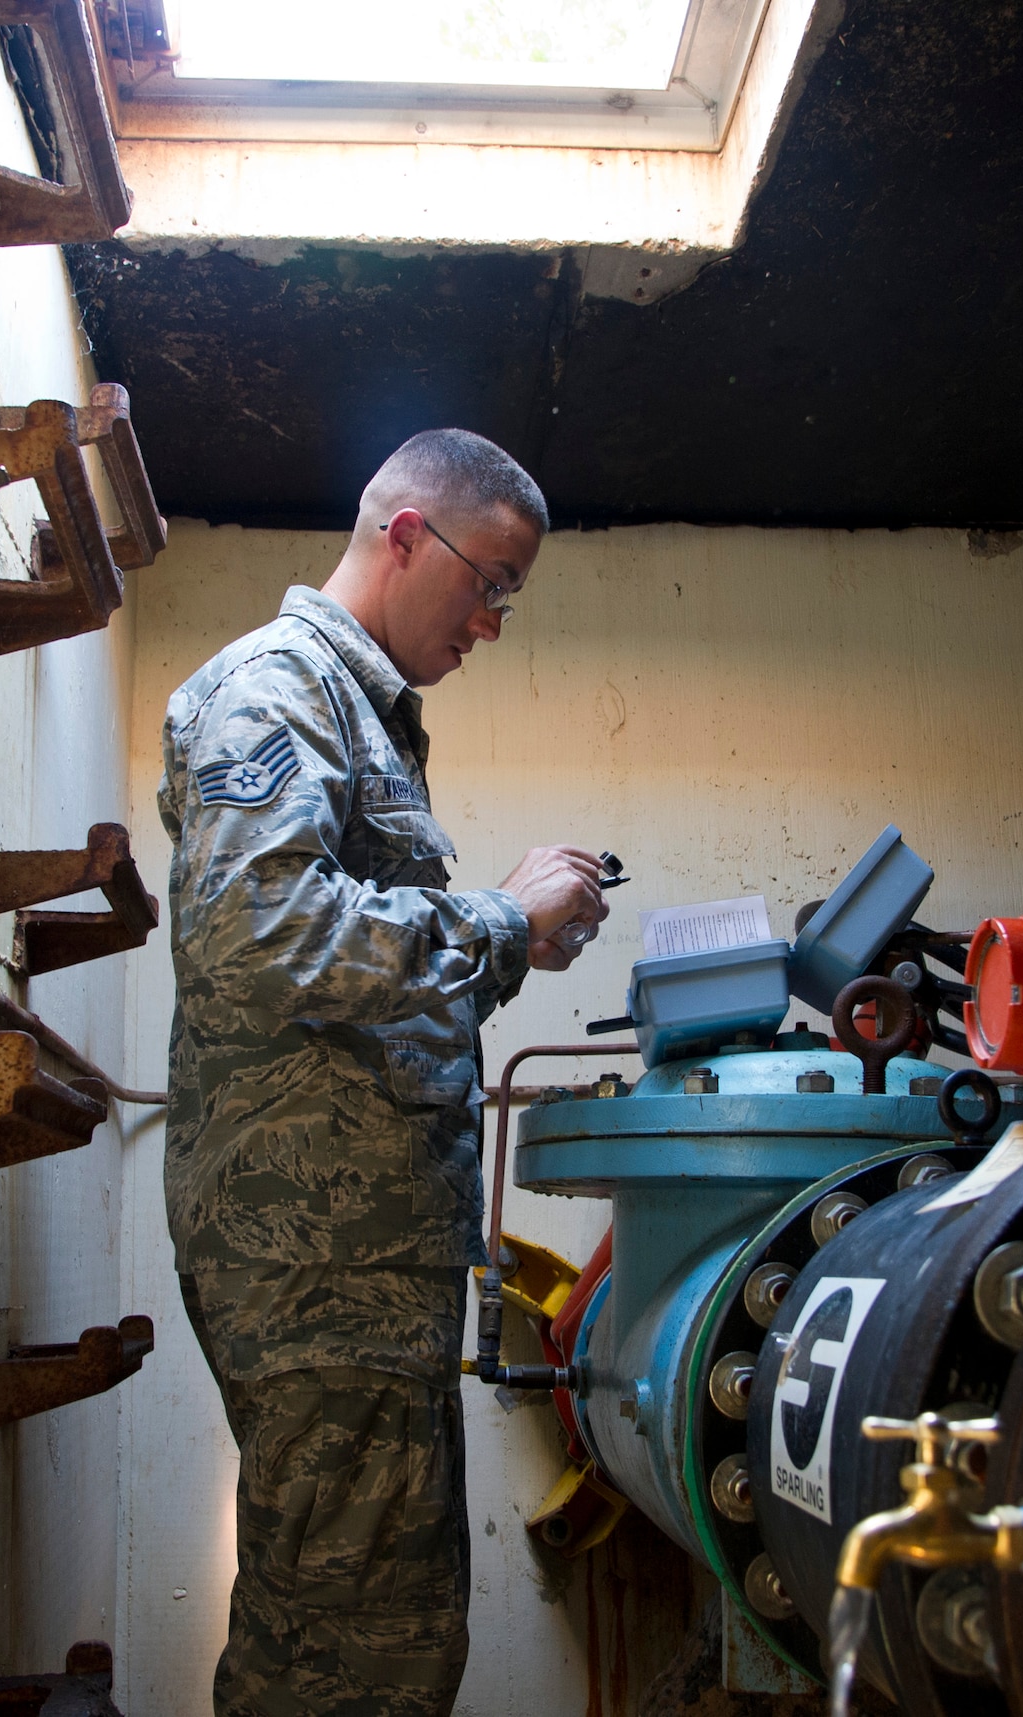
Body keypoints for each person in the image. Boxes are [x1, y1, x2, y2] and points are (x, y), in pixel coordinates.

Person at [157, 428, 606, 1716]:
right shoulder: (278, 685)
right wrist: (500, 919)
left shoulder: (355, 716)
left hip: (356, 1262)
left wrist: (511, 933)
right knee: (353, 1662)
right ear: (407, 531)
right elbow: (262, 935)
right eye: (493, 581)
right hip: (318, 1264)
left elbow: (343, 973)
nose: (494, 622)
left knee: (359, 1647)